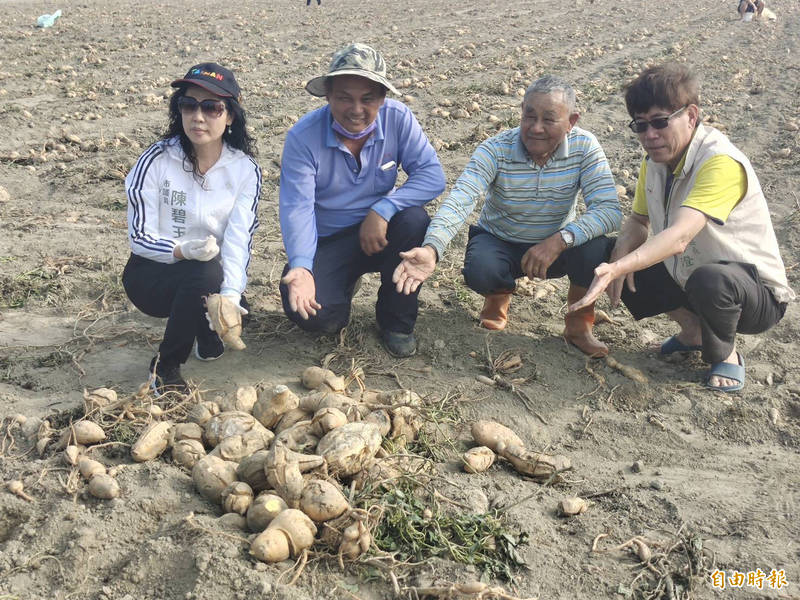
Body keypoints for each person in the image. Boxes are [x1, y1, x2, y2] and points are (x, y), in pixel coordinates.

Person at [570, 63, 794, 392]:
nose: (650, 135)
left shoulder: (720, 163)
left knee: (709, 278)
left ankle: (726, 355)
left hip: (752, 295)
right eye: (641, 126)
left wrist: (620, 267)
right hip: (691, 277)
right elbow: (638, 220)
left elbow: (679, 237)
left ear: (691, 115)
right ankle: (693, 332)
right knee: (609, 251)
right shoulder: (655, 162)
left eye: (661, 122)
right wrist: (618, 255)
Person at [393, 75, 621, 356]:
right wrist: (431, 248)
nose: (536, 128)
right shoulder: (496, 149)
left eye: (549, 120)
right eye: (529, 116)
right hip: (501, 239)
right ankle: (498, 296)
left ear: (571, 121)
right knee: (481, 269)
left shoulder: (584, 147)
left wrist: (559, 240)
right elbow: (460, 200)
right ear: (521, 111)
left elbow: (609, 211)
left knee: (596, 248)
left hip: (556, 245)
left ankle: (579, 323)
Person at [278, 43, 446, 357]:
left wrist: (384, 208)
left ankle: (396, 322)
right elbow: (296, 207)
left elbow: (432, 175)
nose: (357, 109)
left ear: (383, 98)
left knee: (414, 219)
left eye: (368, 98)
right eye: (344, 97)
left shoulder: (397, 119)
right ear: (328, 95)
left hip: (381, 233)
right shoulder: (303, 137)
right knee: (316, 316)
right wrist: (301, 267)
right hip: (327, 239)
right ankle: (339, 285)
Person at [123, 63, 261, 394]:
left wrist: (230, 295)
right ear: (179, 110)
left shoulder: (245, 170)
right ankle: (165, 367)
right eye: (189, 104)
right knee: (202, 272)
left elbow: (239, 239)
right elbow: (138, 235)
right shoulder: (156, 160)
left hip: (208, 275)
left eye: (212, 107)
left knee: (220, 287)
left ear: (230, 116)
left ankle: (205, 329)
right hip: (152, 274)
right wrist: (179, 250)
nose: (198, 116)